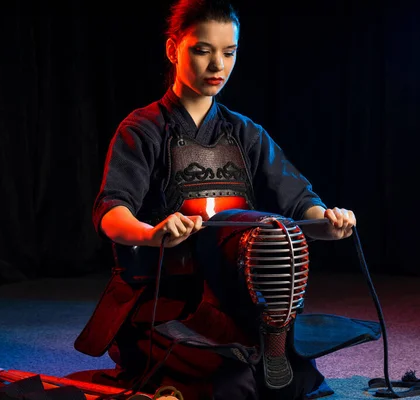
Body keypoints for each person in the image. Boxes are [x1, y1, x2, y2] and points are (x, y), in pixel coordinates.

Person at [74, 0, 357, 399]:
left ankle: (265, 338)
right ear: (174, 50)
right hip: (168, 301)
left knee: (295, 379)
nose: (217, 66)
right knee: (233, 384)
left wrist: (327, 220)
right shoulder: (142, 129)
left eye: (229, 52)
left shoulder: (245, 132)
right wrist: (151, 232)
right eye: (203, 50)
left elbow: (299, 200)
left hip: (234, 296)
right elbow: (111, 211)